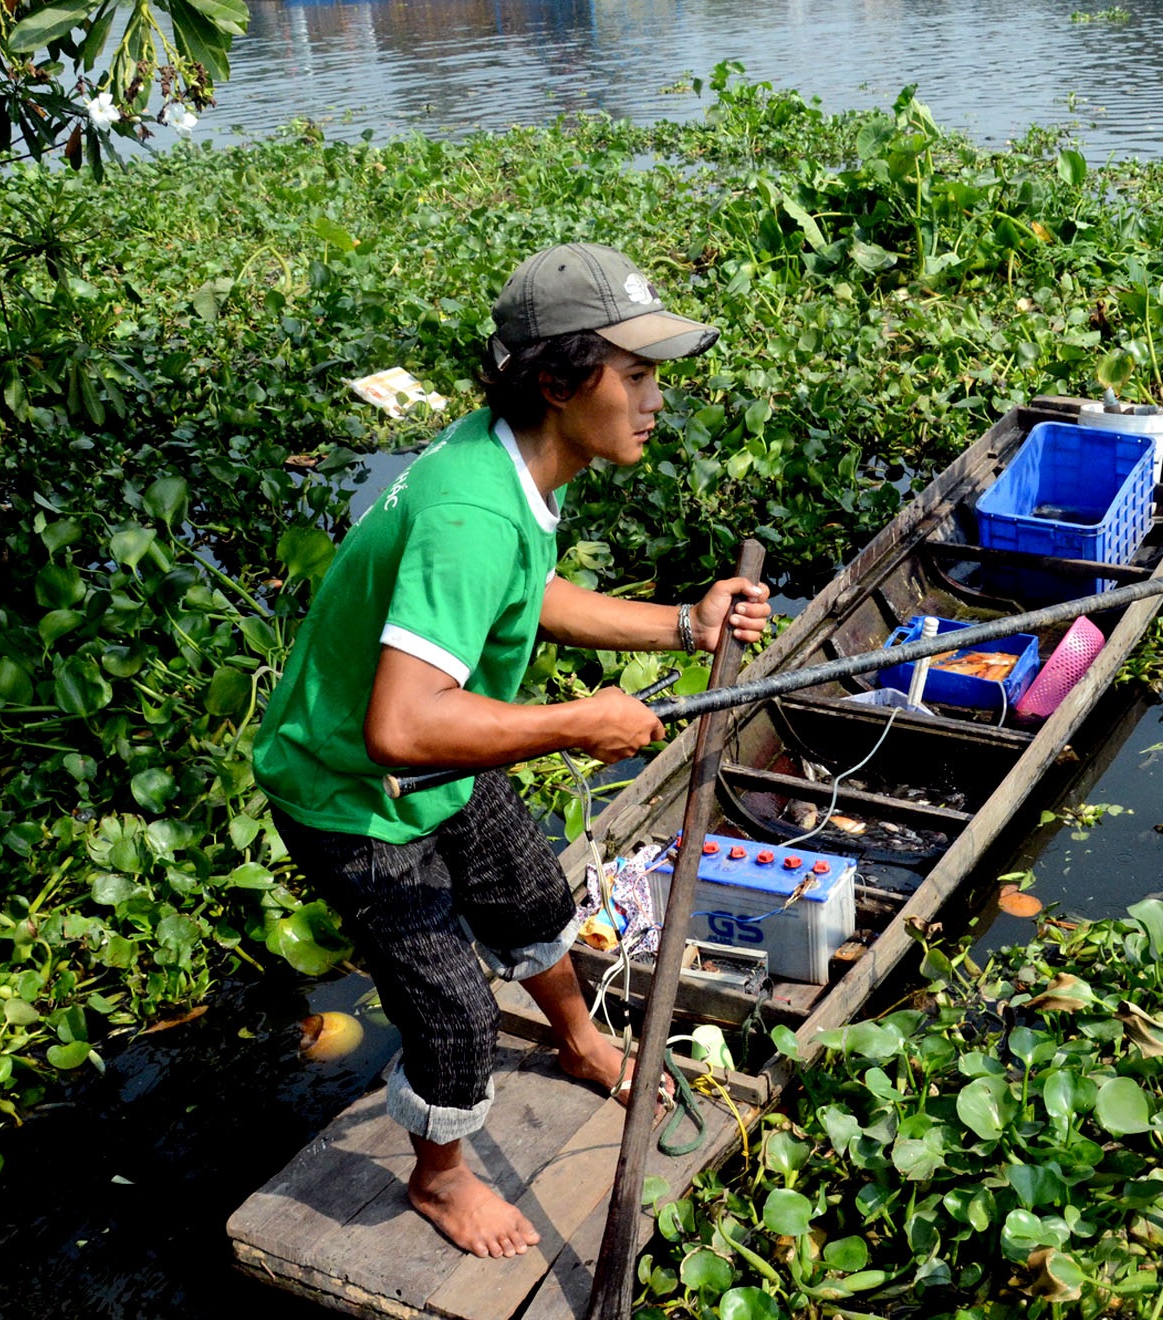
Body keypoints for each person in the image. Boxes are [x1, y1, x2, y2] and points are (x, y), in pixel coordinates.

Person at [252, 242, 771, 1259]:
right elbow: (399, 728)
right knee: (453, 1015)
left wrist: (681, 623)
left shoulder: (515, 457)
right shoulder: (473, 511)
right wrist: (580, 722)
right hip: (352, 790)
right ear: (559, 380)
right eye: (636, 375)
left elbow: (525, 595)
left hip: (445, 754)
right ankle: (439, 1181)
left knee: (532, 898)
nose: (656, 398)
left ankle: (581, 1041)